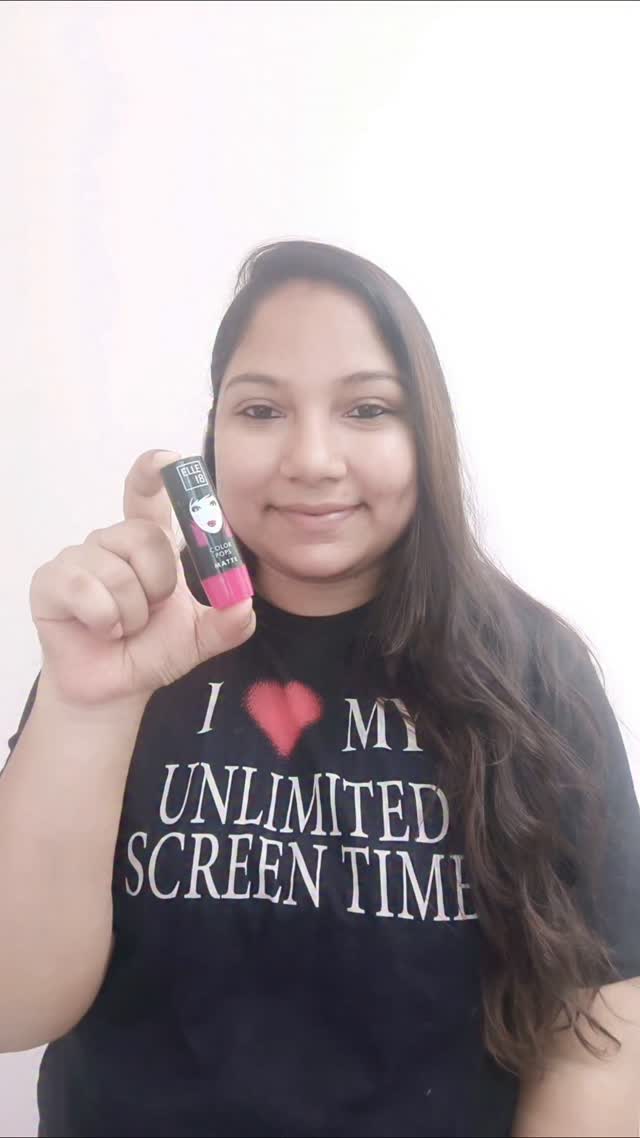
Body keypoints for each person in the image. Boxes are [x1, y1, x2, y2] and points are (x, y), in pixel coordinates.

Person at [2, 240, 639, 1138]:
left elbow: (595, 1035)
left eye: (367, 409)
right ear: (212, 437)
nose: (311, 458)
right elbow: (14, 1005)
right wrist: (87, 705)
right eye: (261, 409)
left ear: (426, 433)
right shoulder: (127, 642)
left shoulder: (536, 672)